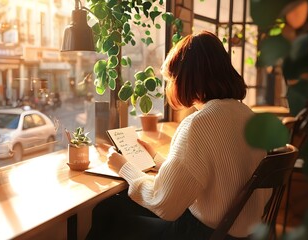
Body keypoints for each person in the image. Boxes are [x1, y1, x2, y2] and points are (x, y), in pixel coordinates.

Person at [86, 31, 271, 240]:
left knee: (108, 210)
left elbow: (164, 204)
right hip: (243, 233)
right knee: (120, 207)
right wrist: (157, 159)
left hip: (202, 234)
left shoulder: (199, 124)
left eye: (171, 78)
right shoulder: (248, 116)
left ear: (186, 78)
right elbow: (211, 172)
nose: (170, 86)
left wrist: (123, 167)